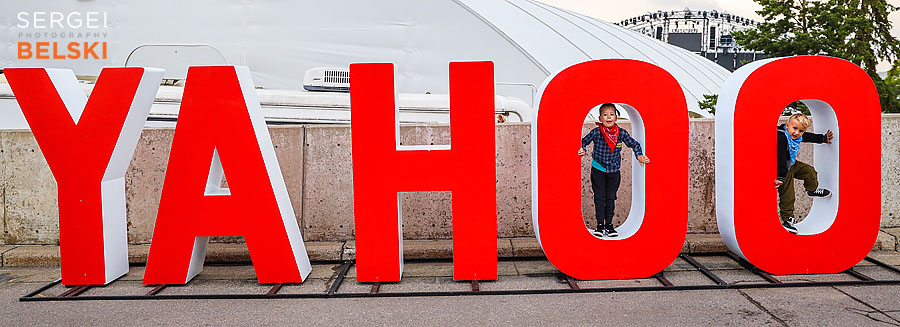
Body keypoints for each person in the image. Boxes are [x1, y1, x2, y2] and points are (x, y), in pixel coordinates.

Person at [578, 103, 649, 237]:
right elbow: (583, 141)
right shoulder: (596, 131)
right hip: (598, 169)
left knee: (610, 198)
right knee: (599, 198)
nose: (608, 117)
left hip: (614, 171)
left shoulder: (621, 132)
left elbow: (634, 144)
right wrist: (582, 150)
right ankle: (600, 226)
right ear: (600, 118)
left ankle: (609, 226)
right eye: (605, 115)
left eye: (611, 114)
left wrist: (639, 155)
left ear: (616, 117)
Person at [775, 113, 834, 234]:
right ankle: (787, 220)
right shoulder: (781, 137)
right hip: (782, 169)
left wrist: (823, 138)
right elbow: (779, 158)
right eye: (794, 128)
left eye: (801, 130)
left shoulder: (799, 136)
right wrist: (780, 176)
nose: (797, 133)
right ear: (787, 125)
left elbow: (808, 137)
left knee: (810, 172)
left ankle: (811, 190)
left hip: (792, 164)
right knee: (788, 195)